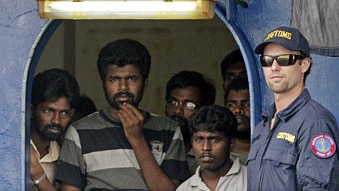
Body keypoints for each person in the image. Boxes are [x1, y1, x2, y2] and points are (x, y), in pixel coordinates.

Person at [55, 38, 190, 191]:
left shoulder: (168, 129)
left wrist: (137, 140)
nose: (123, 87)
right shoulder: (79, 132)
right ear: (104, 83)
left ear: (145, 83)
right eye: (114, 79)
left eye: (132, 78)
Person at [247, 26, 339, 190]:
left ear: (304, 64)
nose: (274, 67)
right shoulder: (262, 125)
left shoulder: (315, 122)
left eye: (284, 59)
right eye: (267, 60)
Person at [30, 68, 80, 191]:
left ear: (72, 114)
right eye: (48, 111)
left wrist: (37, 174)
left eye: (64, 113)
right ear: (31, 110)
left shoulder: (65, 157)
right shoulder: (10, 147)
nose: (56, 120)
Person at [176, 105, 247, 191]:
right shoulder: (184, 189)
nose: (206, 147)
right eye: (199, 140)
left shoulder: (251, 181)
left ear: (231, 143)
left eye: (214, 139)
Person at [165, 70, 216, 175]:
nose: (178, 110)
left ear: (204, 110)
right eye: (173, 102)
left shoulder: (211, 152)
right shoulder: (154, 145)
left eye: (189, 105)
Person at [224, 77, 250, 164]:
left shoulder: (268, 151)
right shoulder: (217, 156)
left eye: (247, 104)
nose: (238, 110)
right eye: (231, 105)